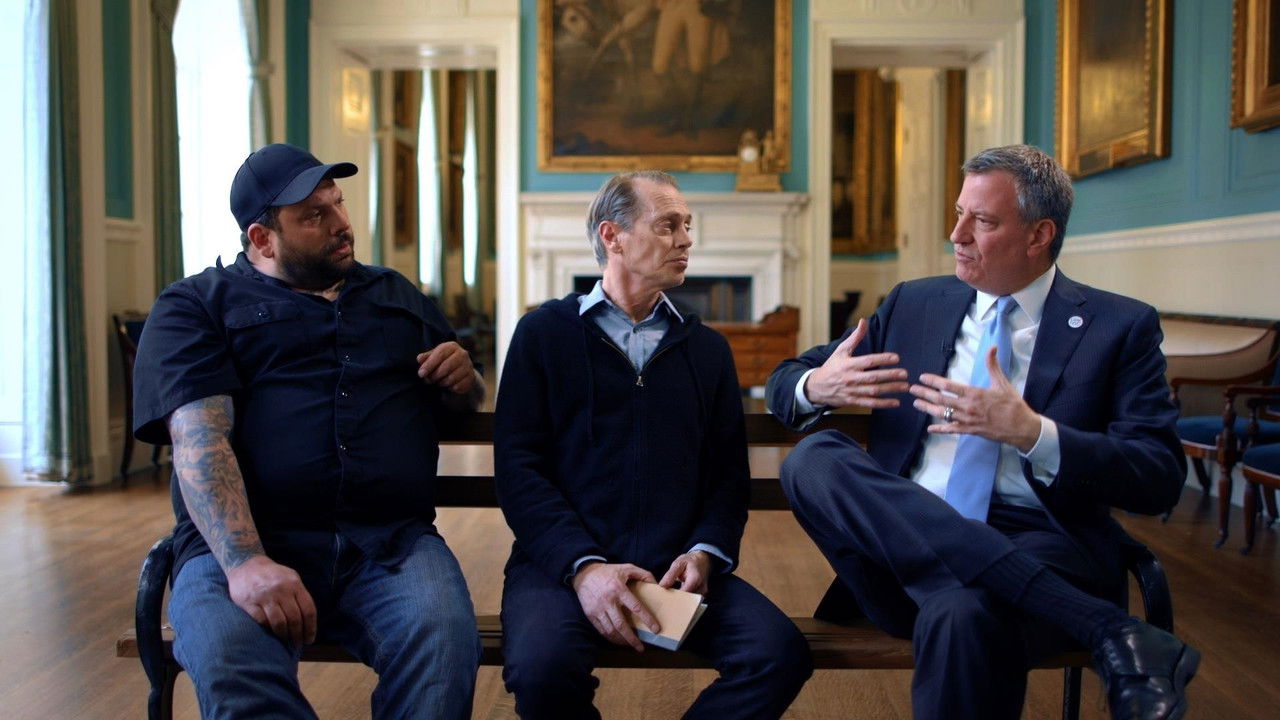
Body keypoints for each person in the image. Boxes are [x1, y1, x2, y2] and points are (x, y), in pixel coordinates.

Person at [766, 145, 1199, 720]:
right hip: (899, 549)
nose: (956, 234)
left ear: (1039, 234)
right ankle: (1106, 627)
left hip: (1040, 543)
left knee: (962, 616)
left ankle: (1077, 615)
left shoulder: (1119, 326)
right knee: (815, 456)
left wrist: (1032, 433)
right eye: (958, 212)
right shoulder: (914, 303)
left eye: (983, 221)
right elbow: (785, 379)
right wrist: (816, 386)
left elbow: (1159, 476)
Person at [132, 143, 483, 719]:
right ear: (263, 238)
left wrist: (462, 379)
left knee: (443, 643)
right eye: (314, 215)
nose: (342, 224)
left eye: (338, 204)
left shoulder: (397, 296)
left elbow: (459, 402)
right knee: (232, 663)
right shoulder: (196, 307)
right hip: (243, 548)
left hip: (387, 543)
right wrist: (246, 563)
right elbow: (201, 441)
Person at [495, 171, 812, 719]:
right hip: (562, 567)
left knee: (778, 654)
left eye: (687, 225)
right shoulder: (542, 336)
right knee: (541, 667)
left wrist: (705, 552)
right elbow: (519, 471)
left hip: (676, 569)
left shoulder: (707, 350)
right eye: (668, 225)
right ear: (612, 236)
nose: (686, 239)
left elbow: (726, 478)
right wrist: (585, 568)